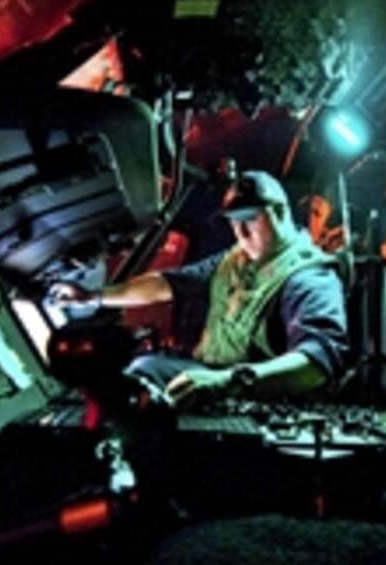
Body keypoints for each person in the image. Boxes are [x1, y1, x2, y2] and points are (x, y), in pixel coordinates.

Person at [50, 170, 349, 408]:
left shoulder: (309, 277)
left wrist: (228, 381)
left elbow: (315, 362)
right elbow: (167, 283)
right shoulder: (235, 260)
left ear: (281, 212)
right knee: (142, 372)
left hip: (261, 396)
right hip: (214, 376)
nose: (241, 233)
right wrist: (94, 296)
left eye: (249, 220)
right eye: (233, 222)